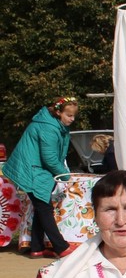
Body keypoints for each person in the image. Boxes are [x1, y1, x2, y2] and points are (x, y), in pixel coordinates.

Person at [4, 96, 81, 258]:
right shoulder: (49, 128)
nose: (72, 119)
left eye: (74, 116)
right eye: (69, 115)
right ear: (59, 112)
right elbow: (50, 158)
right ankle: (61, 247)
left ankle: (36, 248)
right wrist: (67, 177)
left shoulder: (53, 125)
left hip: (36, 169)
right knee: (44, 208)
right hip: (32, 170)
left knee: (41, 207)